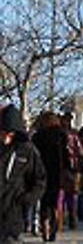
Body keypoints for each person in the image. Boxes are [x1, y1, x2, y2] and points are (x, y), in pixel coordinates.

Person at [0, 104, 46, 244]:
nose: (6, 137)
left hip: (13, 212)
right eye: (3, 132)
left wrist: (27, 199)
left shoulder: (26, 150)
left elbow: (39, 179)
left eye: (10, 133)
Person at [31, 112, 67, 242]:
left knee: (43, 201)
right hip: (57, 172)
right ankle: (53, 227)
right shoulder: (61, 135)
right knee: (55, 202)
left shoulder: (37, 136)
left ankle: (44, 224)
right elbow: (66, 156)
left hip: (40, 172)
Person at [58, 113, 82, 231]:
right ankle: (72, 218)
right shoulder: (73, 135)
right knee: (71, 196)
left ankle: (59, 222)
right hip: (72, 168)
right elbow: (79, 152)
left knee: (60, 197)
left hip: (59, 169)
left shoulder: (56, 135)